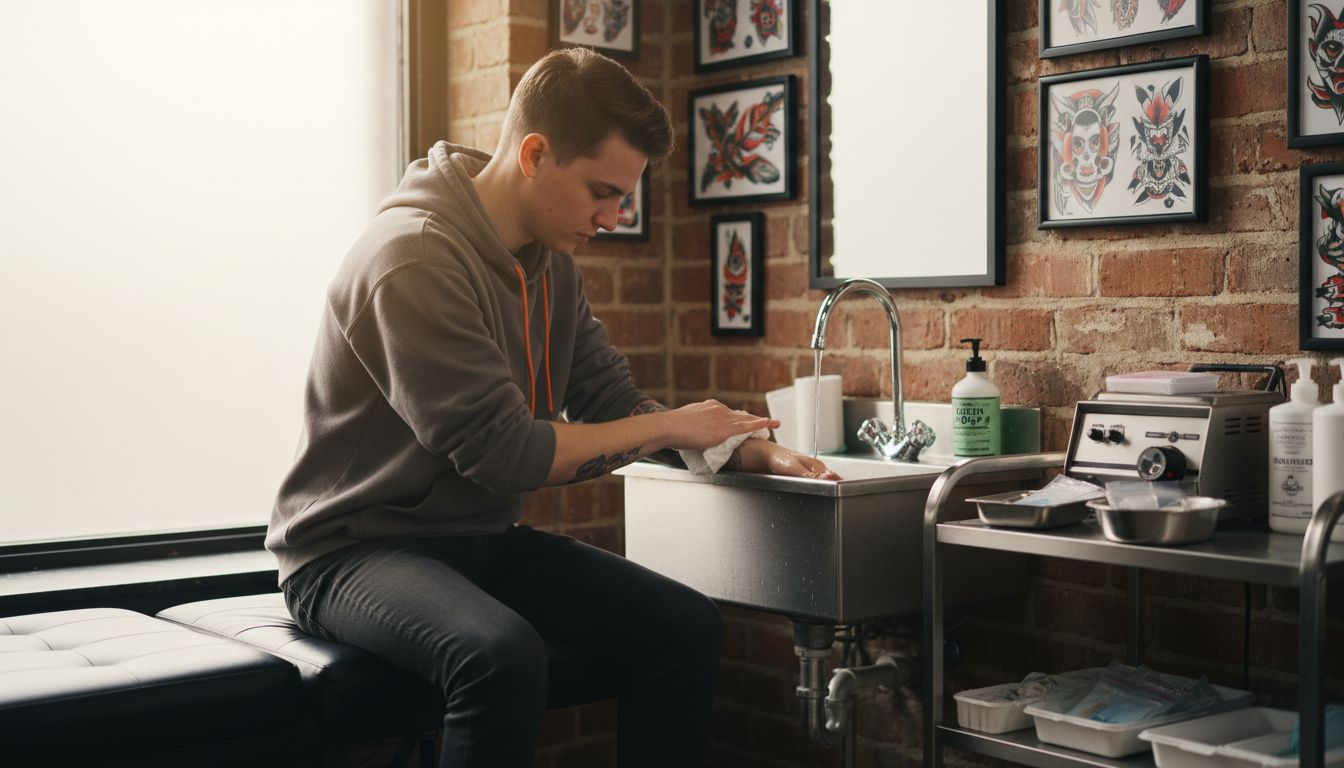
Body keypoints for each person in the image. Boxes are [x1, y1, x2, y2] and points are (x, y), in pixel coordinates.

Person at [265, 47, 838, 768]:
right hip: (349, 553)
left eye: (623, 196)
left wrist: (749, 447)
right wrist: (670, 424)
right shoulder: (411, 257)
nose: (613, 215)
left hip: (477, 543)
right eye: (602, 191)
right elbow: (501, 453)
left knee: (684, 625)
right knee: (499, 655)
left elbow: (610, 400)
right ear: (535, 153)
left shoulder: (550, 266)